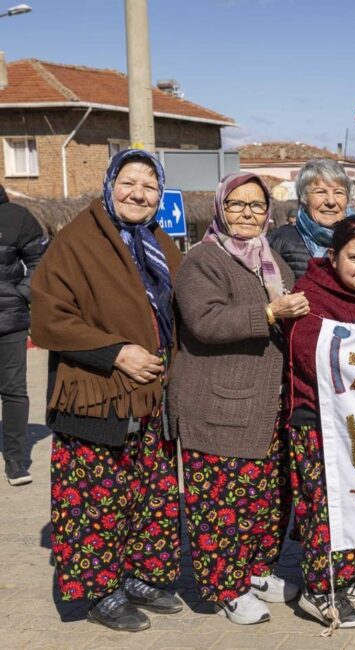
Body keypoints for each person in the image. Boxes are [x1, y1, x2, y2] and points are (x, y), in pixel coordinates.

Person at [30, 149, 184, 632]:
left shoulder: (159, 242)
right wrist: (116, 352)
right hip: (96, 393)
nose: (139, 193)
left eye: (150, 186)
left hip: (150, 395)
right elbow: (49, 316)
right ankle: (99, 591)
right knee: (96, 499)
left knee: (149, 493)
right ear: (109, 184)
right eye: (129, 182)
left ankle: (139, 574)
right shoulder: (78, 239)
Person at [170, 172, 302, 625]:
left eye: (257, 206)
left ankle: (258, 570)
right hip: (218, 401)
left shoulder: (273, 262)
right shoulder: (203, 260)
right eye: (237, 205)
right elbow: (204, 321)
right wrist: (268, 312)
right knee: (222, 501)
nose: (247, 214)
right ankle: (225, 586)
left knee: (264, 496)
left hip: (265, 404)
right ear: (220, 209)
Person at [284, 215, 355, 629]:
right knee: (324, 507)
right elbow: (307, 352)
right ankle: (321, 590)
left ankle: (345, 576)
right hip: (314, 420)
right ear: (332, 256)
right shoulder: (308, 293)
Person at [0, 183, 44, 485]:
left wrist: (20, 295)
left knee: (13, 390)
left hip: (9, 320)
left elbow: (41, 261)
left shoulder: (17, 217)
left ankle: (16, 460)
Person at [268, 159, 351, 279]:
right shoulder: (280, 241)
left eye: (339, 193)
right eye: (320, 192)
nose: (331, 202)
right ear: (304, 198)